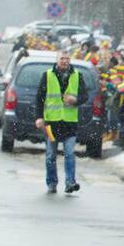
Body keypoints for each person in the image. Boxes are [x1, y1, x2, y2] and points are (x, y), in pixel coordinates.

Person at [34, 50, 88, 194]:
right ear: (57, 60)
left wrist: (75, 100)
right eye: (62, 58)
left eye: (67, 58)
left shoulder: (77, 75)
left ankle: (70, 182)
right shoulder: (47, 75)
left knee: (69, 153)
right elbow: (39, 98)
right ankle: (52, 182)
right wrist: (39, 117)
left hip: (70, 124)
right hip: (51, 123)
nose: (65, 61)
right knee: (51, 154)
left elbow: (85, 96)